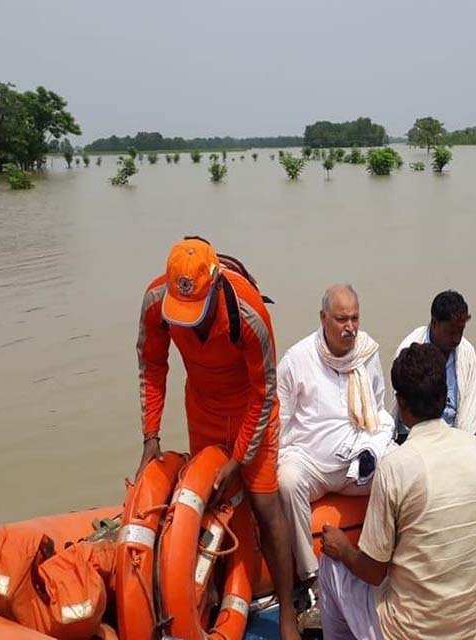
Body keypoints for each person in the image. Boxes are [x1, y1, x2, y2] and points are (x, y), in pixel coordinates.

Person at [135, 237, 299, 639]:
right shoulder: (157, 301)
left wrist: (238, 460)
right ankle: (208, 602)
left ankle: (289, 612)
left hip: (250, 405)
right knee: (207, 499)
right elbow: (152, 366)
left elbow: (265, 391)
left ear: (214, 286)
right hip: (203, 405)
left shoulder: (249, 313)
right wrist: (150, 437)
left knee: (263, 501)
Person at [318, 343, 476, 640]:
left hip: (406, 633)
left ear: (401, 404)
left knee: (330, 565)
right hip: (467, 628)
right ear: (444, 397)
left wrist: (343, 548)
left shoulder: (395, 466)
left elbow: (373, 572)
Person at [277, 284, 394, 585]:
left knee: (398, 468)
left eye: (355, 319)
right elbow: (279, 420)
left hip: (356, 464)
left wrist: (370, 451)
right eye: (342, 320)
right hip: (310, 462)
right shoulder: (297, 359)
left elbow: (378, 410)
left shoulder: (367, 353)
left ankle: (389, 560)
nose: (350, 328)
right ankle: (308, 576)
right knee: (287, 480)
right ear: (323, 317)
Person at [392, 290, 476, 436]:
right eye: (451, 332)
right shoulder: (409, 348)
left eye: (461, 331)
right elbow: (401, 408)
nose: (456, 339)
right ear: (434, 323)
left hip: (455, 436)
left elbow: (470, 411)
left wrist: (463, 445)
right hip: (414, 436)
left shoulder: (467, 351)